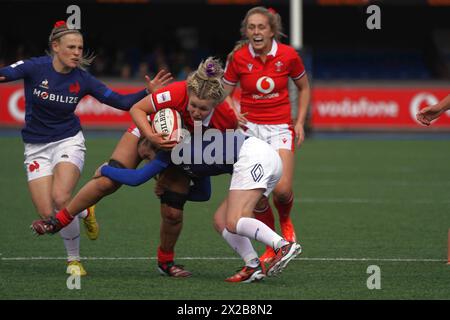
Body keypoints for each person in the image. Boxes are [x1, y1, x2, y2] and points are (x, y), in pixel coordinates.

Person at [30, 57, 238, 278]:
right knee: (108, 181)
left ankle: (165, 262)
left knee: (173, 211)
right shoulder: (178, 92)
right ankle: (59, 220)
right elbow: (137, 108)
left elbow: (204, 160)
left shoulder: (227, 120)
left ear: (216, 105)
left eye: (203, 109)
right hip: (148, 129)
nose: (196, 112)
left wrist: (171, 172)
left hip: (180, 148)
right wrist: (151, 137)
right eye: (193, 105)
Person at [0, 20, 171, 276]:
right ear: (55, 47)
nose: (77, 52)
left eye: (80, 47)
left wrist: (145, 92)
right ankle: (85, 208)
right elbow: (6, 74)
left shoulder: (83, 79)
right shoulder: (35, 67)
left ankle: (74, 261)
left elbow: (121, 102)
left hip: (68, 140)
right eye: (71, 47)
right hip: (35, 147)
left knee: (61, 199)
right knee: (48, 214)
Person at [32, 130, 303, 283]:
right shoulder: (184, 155)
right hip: (260, 157)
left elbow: (137, 178)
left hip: (255, 155)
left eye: (145, 153)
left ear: (151, 145)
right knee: (221, 220)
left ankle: (282, 245)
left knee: (235, 220)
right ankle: (252, 265)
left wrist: (107, 169)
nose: (147, 159)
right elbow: (202, 195)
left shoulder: (166, 153)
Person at [222, 6, 311, 265]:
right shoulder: (238, 58)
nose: (256, 32)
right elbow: (224, 93)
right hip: (249, 132)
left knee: (282, 191)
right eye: (252, 27)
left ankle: (285, 220)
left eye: (261, 27)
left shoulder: (288, 55)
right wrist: (233, 111)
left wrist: (300, 122)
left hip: (280, 128)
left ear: (272, 31)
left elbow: (304, 88)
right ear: (246, 31)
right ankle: (272, 245)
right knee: (259, 195)